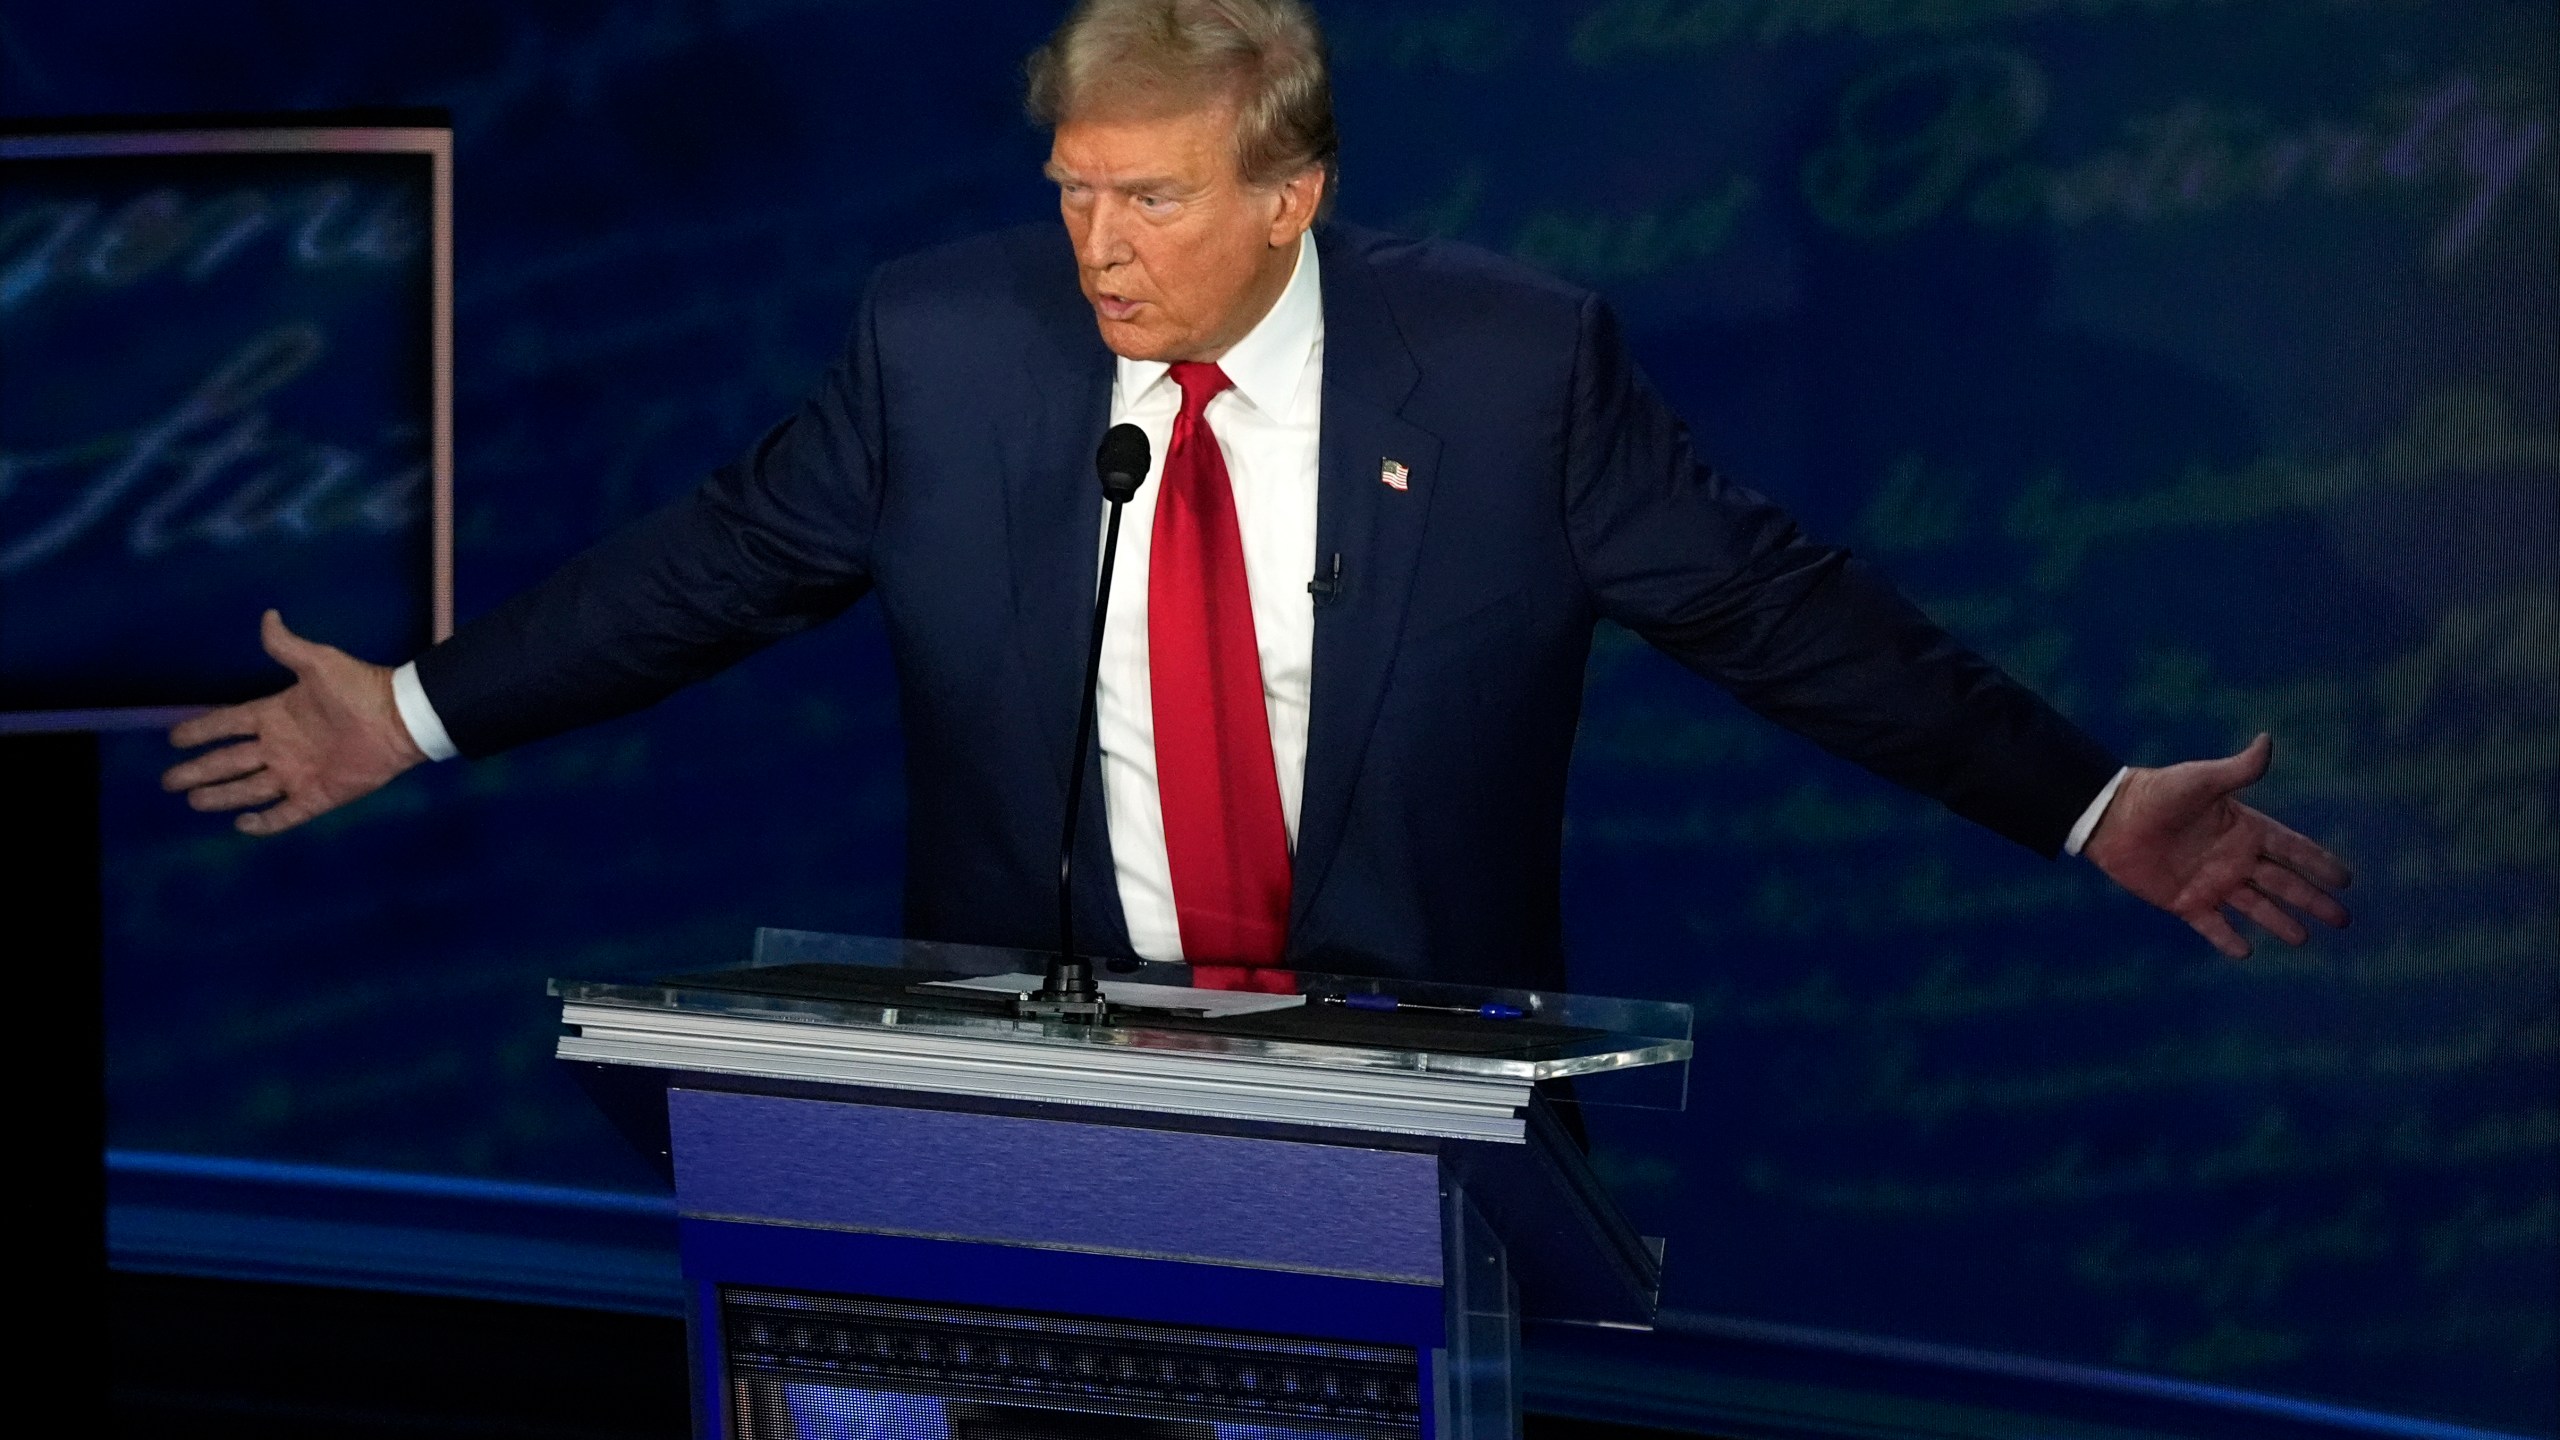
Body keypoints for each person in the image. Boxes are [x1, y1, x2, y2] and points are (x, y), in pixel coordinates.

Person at [160, 0, 2348, 989]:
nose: (1094, 247)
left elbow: (1786, 613)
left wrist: (2078, 805)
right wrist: (415, 710)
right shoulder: (947, 347)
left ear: (1291, 197)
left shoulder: (1508, 374)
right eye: (1070, 194)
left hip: (1395, 1082)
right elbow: (708, 569)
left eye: (1150, 199)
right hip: (1030, 1060)